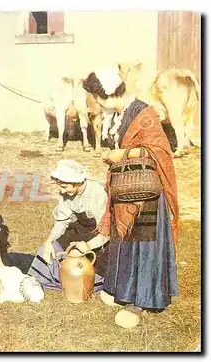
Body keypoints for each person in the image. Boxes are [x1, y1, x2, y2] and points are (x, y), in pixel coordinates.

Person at [82, 68, 179, 329]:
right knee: (124, 241)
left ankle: (141, 299)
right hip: (126, 188)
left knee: (143, 244)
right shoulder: (118, 114)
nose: (97, 103)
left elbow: (159, 150)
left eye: (97, 97)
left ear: (110, 93)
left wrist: (121, 155)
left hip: (145, 193)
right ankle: (122, 290)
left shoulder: (143, 112)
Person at [27, 160, 109, 291]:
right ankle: (51, 279)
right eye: (60, 187)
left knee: (90, 269)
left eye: (65, 187)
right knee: (49, 248)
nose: (62, 191)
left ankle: (78, 283)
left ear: (77, 182)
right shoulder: (65, 194)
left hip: (99, 238)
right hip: (79, 230)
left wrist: (87, 246)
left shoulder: (98, 192)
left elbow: (106, 230)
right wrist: (49, 241)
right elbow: (62, 221)